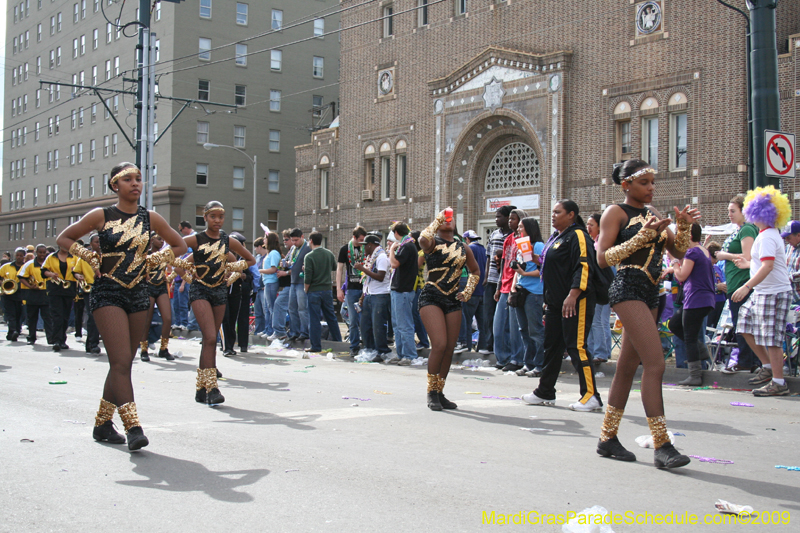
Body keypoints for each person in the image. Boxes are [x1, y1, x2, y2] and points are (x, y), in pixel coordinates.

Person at [56, 162, 187, 451]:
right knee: (119, 361)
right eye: (127, 179)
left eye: (139, 179)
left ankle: (103, 424)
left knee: (124, 361)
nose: (135, 184)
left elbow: (179, 246)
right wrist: (89, 256)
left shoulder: (151, 218)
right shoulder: (101, 215)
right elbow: (63, 238)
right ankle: (133, 426)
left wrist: (154, 260)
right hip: (108, 292)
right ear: (115, 185)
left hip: (139, 293)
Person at [594, 159, 698, 468]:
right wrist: (639, 238)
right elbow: (603, 258)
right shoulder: (616, 213)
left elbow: (679, 252)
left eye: (653, 182)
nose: (651, 187)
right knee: (655, 363)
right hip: (627, 288)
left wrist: (683, 227)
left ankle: (607, 438)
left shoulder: (652, 215)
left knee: (627, 366)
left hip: (652, 292)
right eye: (645, 182)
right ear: (626, 185)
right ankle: (662, 445)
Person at [523, 201, 601, 412]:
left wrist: (573, 294)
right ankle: (545, 391)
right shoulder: (556, 237)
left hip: (576, 302)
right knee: (552, 348)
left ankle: (591, 396)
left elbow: (583, 265)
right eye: (553, 212)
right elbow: (550, 266)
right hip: (555, 304)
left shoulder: (578, 235)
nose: (553, 215)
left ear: (571, 214)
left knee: (577, 347)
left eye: (558, 212)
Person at [176, 202, 255, 405]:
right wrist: (189, 277)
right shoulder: (196, 239)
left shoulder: (227, 242)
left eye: (220, 216)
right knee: (211, 338)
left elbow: (250, 260)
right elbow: (174, 254)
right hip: (200, 291)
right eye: (213, 216)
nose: (217, 220)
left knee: (209, 340)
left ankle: (201, 388)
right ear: (205, 218)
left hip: (220, 292)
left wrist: (231, 270)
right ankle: (212, 388)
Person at [731, 187, 793, 397]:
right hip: (763, 291)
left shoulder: (767, 237)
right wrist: (748, 264)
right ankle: (767, 367)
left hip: (772, 292)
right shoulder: (765, 235)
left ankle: (778, 382)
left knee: (771, 338)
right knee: (744, 325)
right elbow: (765, 264)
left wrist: (746, 285)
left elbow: (768, 266)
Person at [418, 208, 480, 411]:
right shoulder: (432, 242)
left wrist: (468, 291)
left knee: (449, 349)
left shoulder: (464, 247)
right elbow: (422, 240)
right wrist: (436, 220)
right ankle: (430, 392)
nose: (448, 221)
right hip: (431, 296)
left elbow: (476, 271)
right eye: (444, 219)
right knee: (439, 344)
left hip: (453, 299)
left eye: (450, 219)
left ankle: (440, 392)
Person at [715, 195, 759, 374]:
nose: (730, 215)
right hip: (734, 284)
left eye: (733, 211)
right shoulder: (739, 230)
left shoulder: (747, 229)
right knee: (739, 324)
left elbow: (748, 258)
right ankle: (748, 360)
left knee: (743, 325)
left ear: (744, 211)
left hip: (743, 284)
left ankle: (748, 361)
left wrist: (725, 255)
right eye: (728, 211)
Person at [668, 223, 716, 385]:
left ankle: (695, 375)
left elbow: (681, 276)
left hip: (696, 299)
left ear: (688, 236)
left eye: (679, 234)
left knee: (689, 337)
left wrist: (674, 262)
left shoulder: (692, 252)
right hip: (703, 299)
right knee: (675, 324)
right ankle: (701, 350)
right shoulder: (703, 250)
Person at [510, 218, 545, 377]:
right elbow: (519, 270)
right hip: (521, 290)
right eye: (517, 228)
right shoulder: (520, 246)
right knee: (523, 329)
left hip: (534, 293)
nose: (518, 230)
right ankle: (528, 363)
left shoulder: (538, 246)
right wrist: (514, 285)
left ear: (530, 228)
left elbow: (543, 270)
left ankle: (540, 365)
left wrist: (525, 273)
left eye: (521, 227)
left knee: (535, 330)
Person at [493, 208, 527, 371]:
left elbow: (526, 266)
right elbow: (504, 264)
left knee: (515, 328)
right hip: (504, 286)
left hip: (517, 287)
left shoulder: (525, 241)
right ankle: (502, 358)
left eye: (513, 219)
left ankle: (517, 359)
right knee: (499, 327)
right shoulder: (508, 239)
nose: (510, 222)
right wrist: (498, 287)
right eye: (510, 219)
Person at [481, 205, 515, 355]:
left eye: (499, 216)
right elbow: (489, 256)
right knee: (488, 314)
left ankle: (504, 346)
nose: (496, 219)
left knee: (503, 317)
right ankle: (490, 344)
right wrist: (486, 275)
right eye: (496, 216)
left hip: (506, 282)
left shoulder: (513, 236)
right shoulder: (494, 234)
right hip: (492, 280)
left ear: (508, 218)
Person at [354, 234, 392, 360]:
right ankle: (369, 349)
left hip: (380, 295)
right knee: (365, 325)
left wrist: (362, 269)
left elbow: (380, 277)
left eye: (365, 246)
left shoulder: (381, 257)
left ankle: (382, 351)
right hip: (369, 294)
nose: (364, 249)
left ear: (370, 245)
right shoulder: (372, 257)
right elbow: (367, 281)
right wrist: (362, 296)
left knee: (378, 326)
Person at [303, 231, 342, 353]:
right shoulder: (329, 253)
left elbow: (308, 277)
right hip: (327, 290)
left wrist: (306, 288)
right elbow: (334, 268)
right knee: (331, 316)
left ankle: (315, 346)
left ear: (311, 241)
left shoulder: (309, 256)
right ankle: (338, 342)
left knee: (314, 319)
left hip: (314, 290)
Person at [139, 233, 175, 361]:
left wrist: (169, 279)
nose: (161, 242)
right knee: (147, 319)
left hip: (161, 287)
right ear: (152, 240)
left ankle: (163, 349)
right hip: (148, 288)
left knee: (168, 318)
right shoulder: (145, 254)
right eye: (159, 239)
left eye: (163, 240)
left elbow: (177, 266)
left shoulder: (164, 254)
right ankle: (144, 349)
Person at [388, 221, 419, 365]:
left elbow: (394, 264)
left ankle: (410, 355)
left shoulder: (407, 246)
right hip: (397, 289)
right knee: (397, 324)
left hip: (403, 290)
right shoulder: (406, 245)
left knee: (404, 324)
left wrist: (391, 250)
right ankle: (401, 353)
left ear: (396, 233)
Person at [585, 213, 612, 364]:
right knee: (597, 321)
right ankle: (599, 351)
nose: (588, 228)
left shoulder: (603, 243)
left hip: (603, 286)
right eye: (587, 224)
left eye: (591, 225)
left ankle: (601, 352)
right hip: (596, 286)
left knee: (599, 321)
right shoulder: (593, 242)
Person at [42, 246, 80, 351]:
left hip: (69, 288)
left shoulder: (74, 258)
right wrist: (51, 274)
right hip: (55, 288)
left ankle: (62, 340)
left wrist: (77, 275)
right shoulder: (51, 257)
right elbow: (43, 271)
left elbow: (78, 271)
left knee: (65, 316)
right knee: (57, 315)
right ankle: (57, 341)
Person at [337, 226, 367, 355]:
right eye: (360, 240)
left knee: (365, 319)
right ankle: (354, 347)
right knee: (353, 320)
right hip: (352, 288)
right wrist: (339, 289)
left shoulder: (365, 248)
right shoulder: (345, 249)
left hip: (364, 288)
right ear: (354, 237)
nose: (362, 242)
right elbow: (339, 269)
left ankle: (367, 345)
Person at [222, 232, 253, 356]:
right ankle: (226, 347)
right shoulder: (221, 256)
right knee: (225, 319)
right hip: (222, 293)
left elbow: (250, 276)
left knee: (233, 319)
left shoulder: (242, 260)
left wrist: (243, 276)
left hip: (236, 292)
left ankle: (231, 345)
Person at [457, 230, 486, 355]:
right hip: (483, 291)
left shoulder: (469, 249)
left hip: (472, 290)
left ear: (467, 239)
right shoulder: (484, 249)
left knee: (467, 321)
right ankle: (483, 347)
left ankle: (467, 347)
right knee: (482, 324)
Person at [18, 245, 53, 347]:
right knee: (32, 317)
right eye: (40, 252)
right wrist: (30, 286)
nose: (42, 255)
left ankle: (50, 338)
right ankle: (31, 337)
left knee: (47, 317)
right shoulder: (29, 264)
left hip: (46, 293)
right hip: (33, 293)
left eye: (43, 252)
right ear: (36, 252)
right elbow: (21, 277)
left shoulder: (49, 264)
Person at [72, 237, 102, 355]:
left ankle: (91, 343)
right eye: (96, 242)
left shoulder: (108, 257)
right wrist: (78, 276)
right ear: (91, 244)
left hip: (105, 288)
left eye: (101, 242)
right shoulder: (85, 257)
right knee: (93, 315)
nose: (99, 244)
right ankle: (93, 343)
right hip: (89, 288)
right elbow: (76, 271)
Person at [287, 228, 311, 342]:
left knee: (302, 308)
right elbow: (291, 262)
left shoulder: (307, 248)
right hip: (293, 281)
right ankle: (294, 332)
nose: (294, 243)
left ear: (302, 237)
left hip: (301, 282)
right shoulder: (293, 248)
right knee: (292, 308)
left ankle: (304, 332)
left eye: (296, 240)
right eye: (292, 240)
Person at [259, 232, 283, 341]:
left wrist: (260, 270)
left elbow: (274, 269)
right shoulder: (270, 253)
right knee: (267, 307)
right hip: (267, 282)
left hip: (271, 281)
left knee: (271, 307)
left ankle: (272, 330)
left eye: (265, 238)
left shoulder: (274, 253)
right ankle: (268, 329)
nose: (264, 240)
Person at [271, 230, 294, 341]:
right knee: (290, 309)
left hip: (292, 284)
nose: (284, 242)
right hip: (288, 284)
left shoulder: (295, 251)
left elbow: (296, 267)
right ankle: (288, 332)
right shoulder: (290, 252)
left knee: (279, 304)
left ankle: (280, 332)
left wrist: (285, 272)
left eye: (286, 239)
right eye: (283, 239)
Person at [0, 247, 27, 341]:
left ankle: (15, 331)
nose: (18, 257)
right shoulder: (6, 266)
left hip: (21, 293)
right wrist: (3, 284)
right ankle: (12, 331)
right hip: (8, 294)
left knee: (19, 314)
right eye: (17, 255)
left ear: (24, 256)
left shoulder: (26, 266)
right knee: (11, 314)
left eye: (21, 255)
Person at [410, 231, 429, 351]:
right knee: (412, 314)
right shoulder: (415, 252)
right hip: (411, 287)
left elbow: (414, 266)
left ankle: (424, 341)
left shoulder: (421, 253)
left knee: (416, 314)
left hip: (419, 286)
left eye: (412, 239)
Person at [781, 220, 800, 305]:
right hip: (788, 296)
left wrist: (786, 278)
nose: (787, 240)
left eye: (789, 237)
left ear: (799, 235)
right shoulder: (788, 247)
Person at [252, 237, 267, 337]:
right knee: (258, 312)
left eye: (256, 247)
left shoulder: (267, 257)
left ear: (260, 246)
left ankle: (266, 330)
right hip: (257, 288)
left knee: (266, 311)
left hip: (264, 288)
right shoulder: (257, 258)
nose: (255, 250)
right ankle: (258, 331)